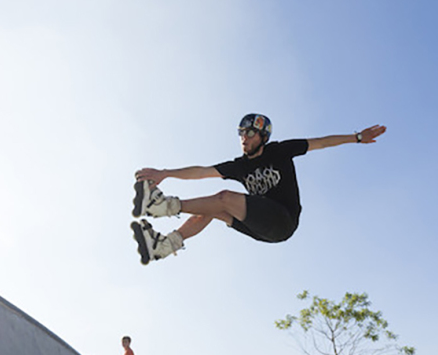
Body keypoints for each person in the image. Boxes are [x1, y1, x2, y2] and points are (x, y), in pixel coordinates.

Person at [131, 113, 386, 264]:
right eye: (242, 133)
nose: (245, 138)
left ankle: (163, 206)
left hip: (282, 220)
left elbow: (321, 143)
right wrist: (166, 173)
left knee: (224, 198)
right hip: (260, 230)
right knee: (211, 209)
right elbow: (201, 171)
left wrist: (357, 137)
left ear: (263, 136)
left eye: (251, 133)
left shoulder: (280, 150)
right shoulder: (239, 166)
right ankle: (164, 246)